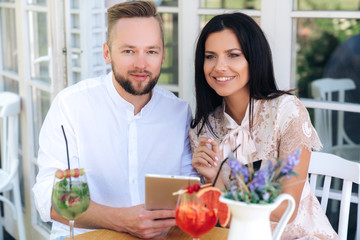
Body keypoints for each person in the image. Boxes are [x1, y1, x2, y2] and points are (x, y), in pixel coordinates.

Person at [32, 1, 194, 239]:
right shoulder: (71, 105)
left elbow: (188, 191)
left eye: (151, 51)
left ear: (163, 54)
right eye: (129, 51)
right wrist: (121, 220)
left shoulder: (179, 112)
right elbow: (48, 197)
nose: (141, 63)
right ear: (107, 53)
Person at [189, 12, 339, 239]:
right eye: (210, 56)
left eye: (233, 55)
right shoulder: (203, 129)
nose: (219, 66)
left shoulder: (287, 112)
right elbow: (219, 219)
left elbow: (285, 210)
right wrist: (214, 180)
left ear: (254, 58)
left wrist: (222, 196)